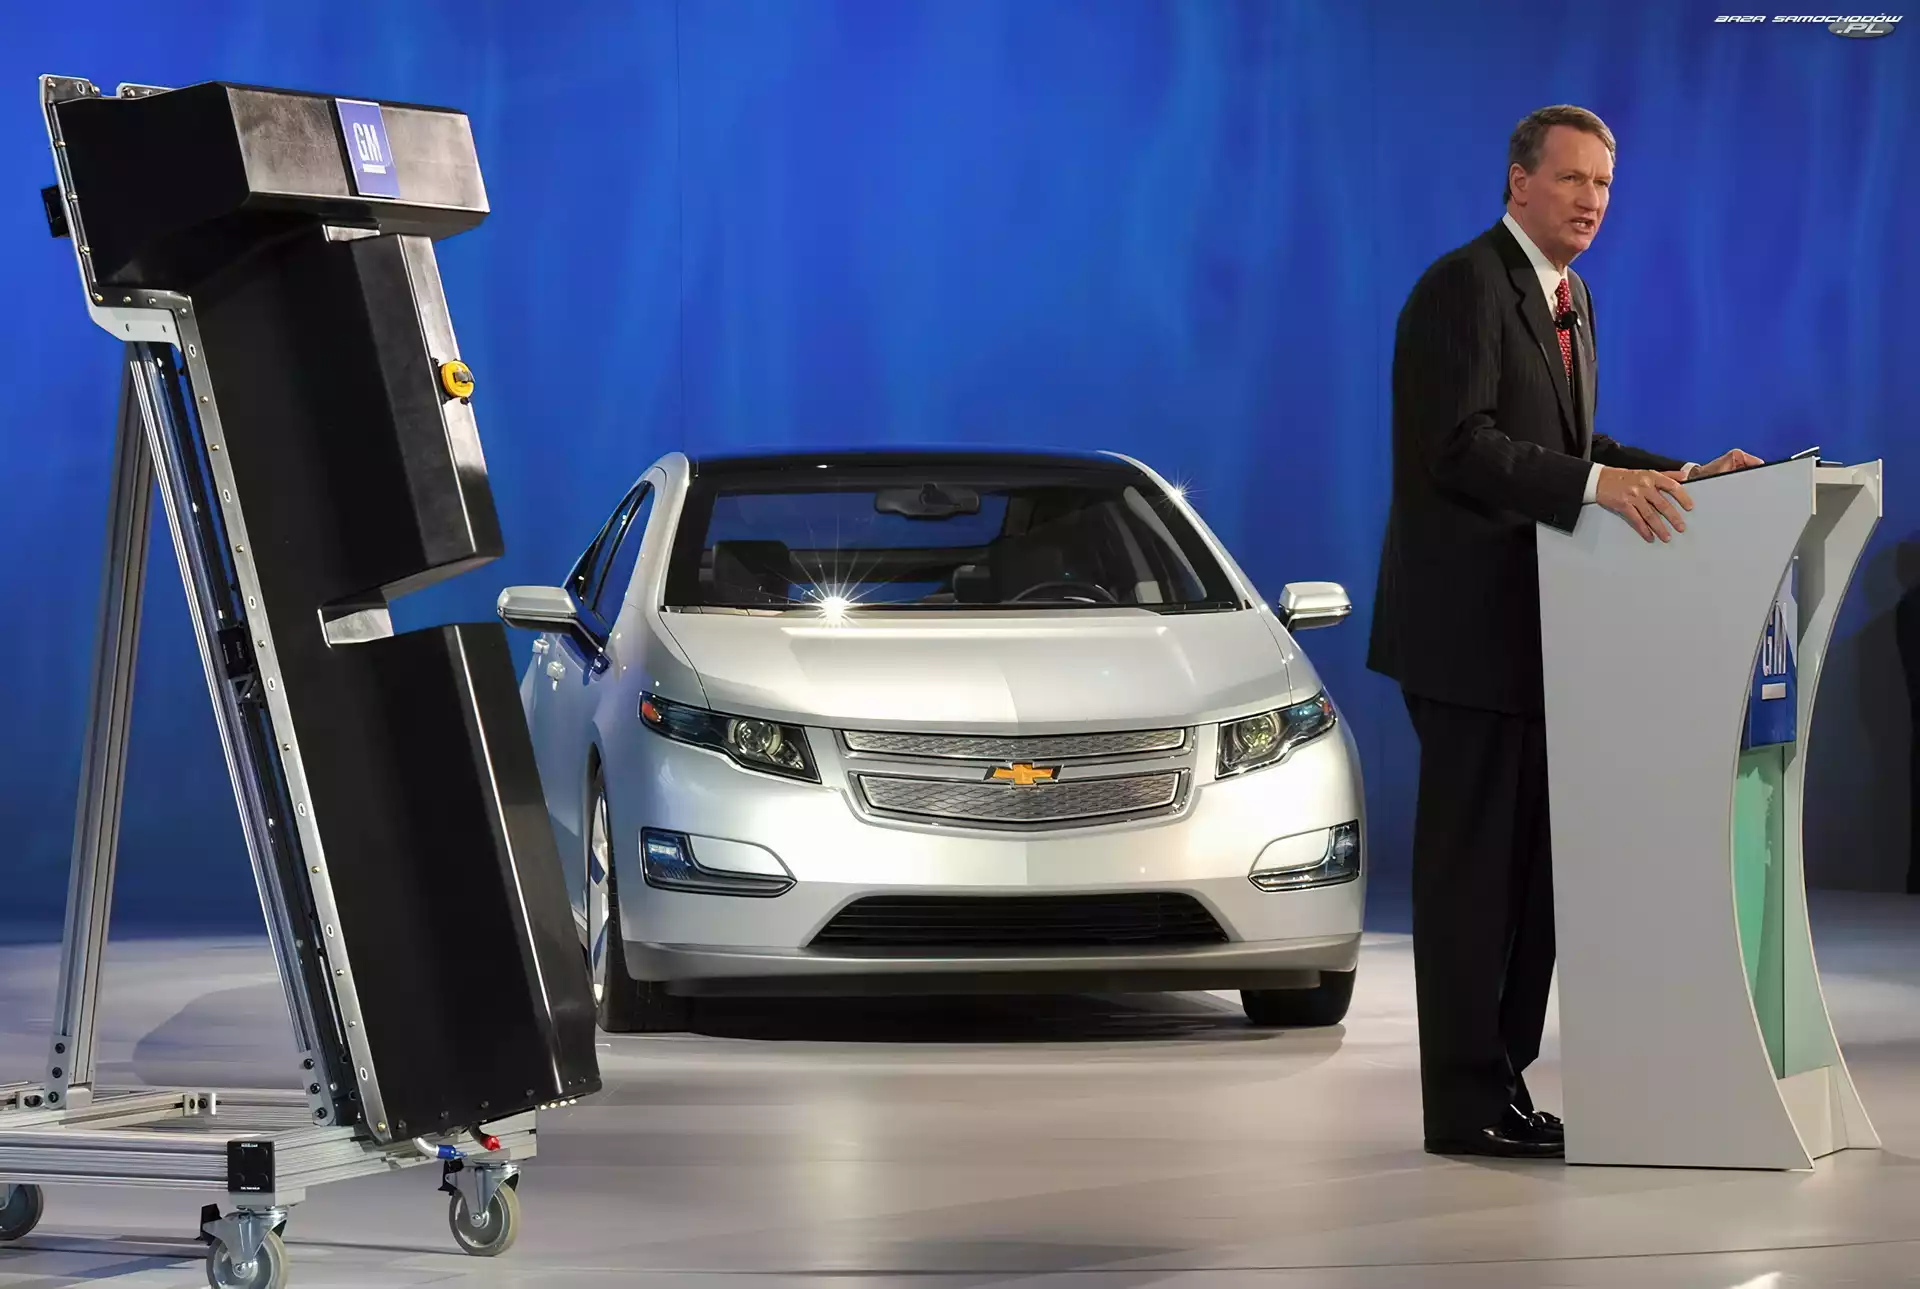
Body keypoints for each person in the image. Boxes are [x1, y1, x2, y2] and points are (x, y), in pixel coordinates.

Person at [1367, 104, 1762, 1159]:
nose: (1592, 201)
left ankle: (1504, 1085)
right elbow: (1460, 446)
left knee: (1532, 884)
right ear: (1519, 181)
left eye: (1605, 185)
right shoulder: (1463, 286)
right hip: (1465, 638)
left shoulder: (1572, 298)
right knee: (1473, 884)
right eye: (1573, 178)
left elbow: (1573, 442)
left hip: (1545, 637)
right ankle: (1462, 1106)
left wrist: (1681, 475)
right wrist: (1598, 486)